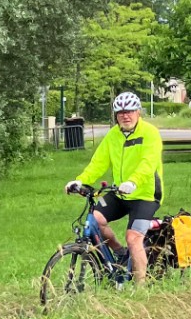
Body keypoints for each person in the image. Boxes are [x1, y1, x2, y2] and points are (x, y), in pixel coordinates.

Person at [66, 90, 164, 283]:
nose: (125, 116)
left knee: (134, 237)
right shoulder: (113, 136)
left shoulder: (150, 133)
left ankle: (140, 288)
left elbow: (148, 163)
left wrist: (133, 181)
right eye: (120, 113)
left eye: (129, 111)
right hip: (120, 193)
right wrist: (80, 180)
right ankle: (120, 253)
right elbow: (98, 163)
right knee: (95, 219)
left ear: (138, 112)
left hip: (145, 194)